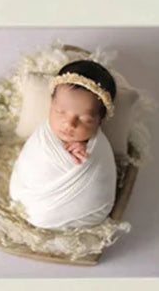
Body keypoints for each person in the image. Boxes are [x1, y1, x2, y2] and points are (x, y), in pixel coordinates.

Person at [8, 60, 119, 229]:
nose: (69, 124)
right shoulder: (44, 136)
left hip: (87, 214)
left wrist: (85, 153)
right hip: (31, 202)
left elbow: (100, 171)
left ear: (99, 121)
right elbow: (31, 162)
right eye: (60, 112)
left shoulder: (99, 146)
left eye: (85, 119)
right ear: (51, 104)